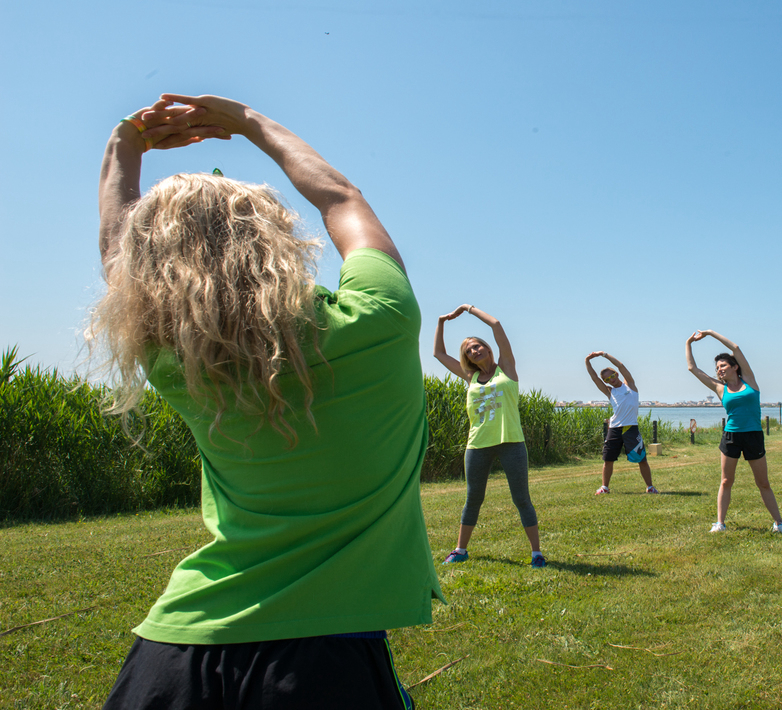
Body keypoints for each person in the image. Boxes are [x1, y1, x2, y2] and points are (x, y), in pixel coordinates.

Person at [91, 95, 439, 709]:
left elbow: (119, 256)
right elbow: (340, 197)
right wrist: (248, 122)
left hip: (173, 656)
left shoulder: (176, 361)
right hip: (322, 665)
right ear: (274, 241)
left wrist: (126, 142)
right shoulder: (380, 319)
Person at [433, 305, 545, 568]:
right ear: (468, 358)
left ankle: (537, 554)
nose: (474, 350)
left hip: (511, 442)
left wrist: (468, 309)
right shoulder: (469, 376)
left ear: (487, 347)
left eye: (477, 346)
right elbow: (438, 353)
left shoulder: (506, 368)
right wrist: (441, 322)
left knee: (522, 499)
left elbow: (495, 325)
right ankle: (460, 550)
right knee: (473, 498)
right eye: (469, 350)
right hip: (478, 444)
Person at [685, 330, 782, 534]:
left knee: (763, 482)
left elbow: (735, 348)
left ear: (735, 366)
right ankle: (720, 523)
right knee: (726, 481)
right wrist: (689, 343)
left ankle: (779, 524)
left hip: (753, 435)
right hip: (731, 437)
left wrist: (710, 333)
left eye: (723, 366)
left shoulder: (749, 381)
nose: (719, 370)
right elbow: (692, 368)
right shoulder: (720, 388)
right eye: (717, 368)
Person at [585, 351, 658, 495]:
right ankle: (604, 488)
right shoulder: (610, 392)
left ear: (617, 374)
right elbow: (594, 378)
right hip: (614, 429)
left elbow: (621, 365)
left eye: (612, 376)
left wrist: (604, 355)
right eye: (607, 379)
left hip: (631, 428)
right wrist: (587, 360)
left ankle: (650, 487)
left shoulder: (630, 385)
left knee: (642, 459)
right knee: (608, 459)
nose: (611, 380)